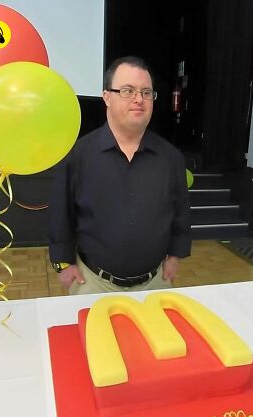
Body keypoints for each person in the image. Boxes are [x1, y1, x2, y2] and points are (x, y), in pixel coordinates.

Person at [48, 56, 191, 295]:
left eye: (146, 92)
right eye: (128, 90)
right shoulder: (78, 155)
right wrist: (63, 264)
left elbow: (180, 213)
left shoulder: (171, 158)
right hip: (92, 283)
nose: (139, 99)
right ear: (107, 97)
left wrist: (175, 256)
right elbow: (60, 214)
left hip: (155, 284)